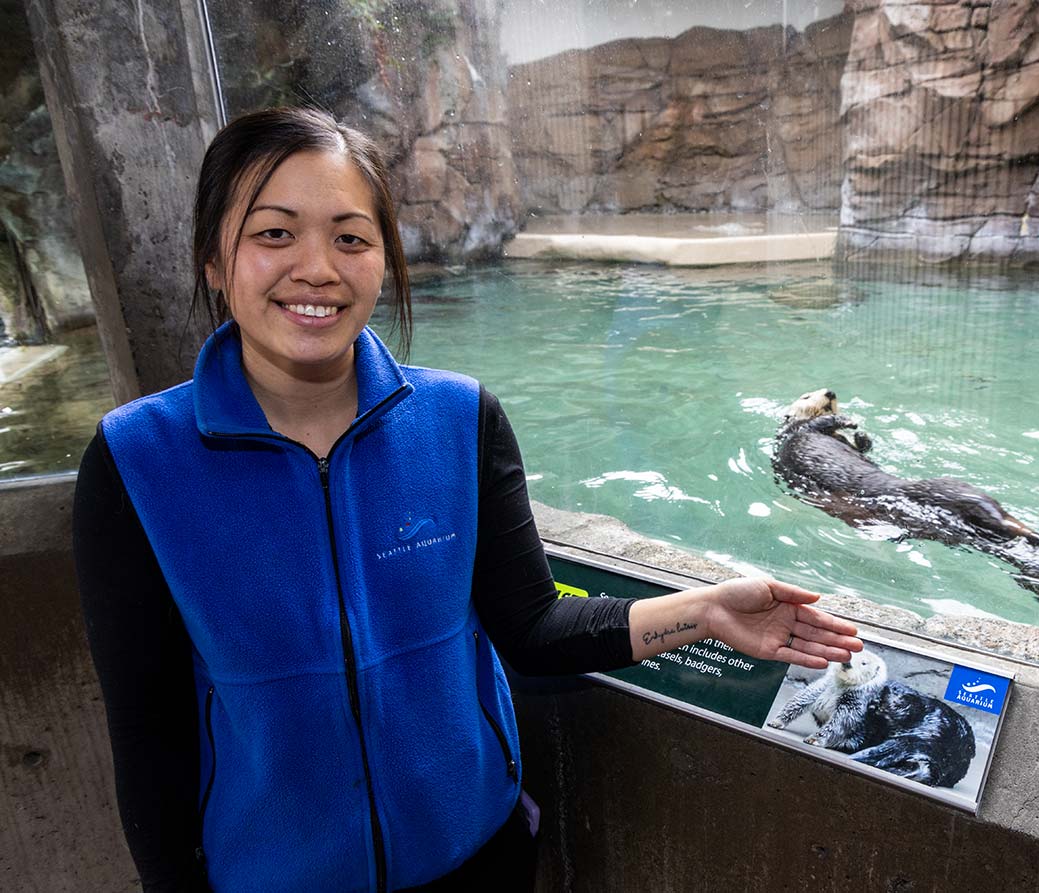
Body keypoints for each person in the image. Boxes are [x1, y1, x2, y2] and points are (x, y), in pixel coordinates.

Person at [72, 106, 862, 893]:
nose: (318, 267)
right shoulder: (138, 458)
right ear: (214, 258)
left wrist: (707, 610)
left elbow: (534, 625)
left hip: (476, 860)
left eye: (351, 237)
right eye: (275, 233)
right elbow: (150, 736)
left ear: (384, 259)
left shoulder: (459, 420)